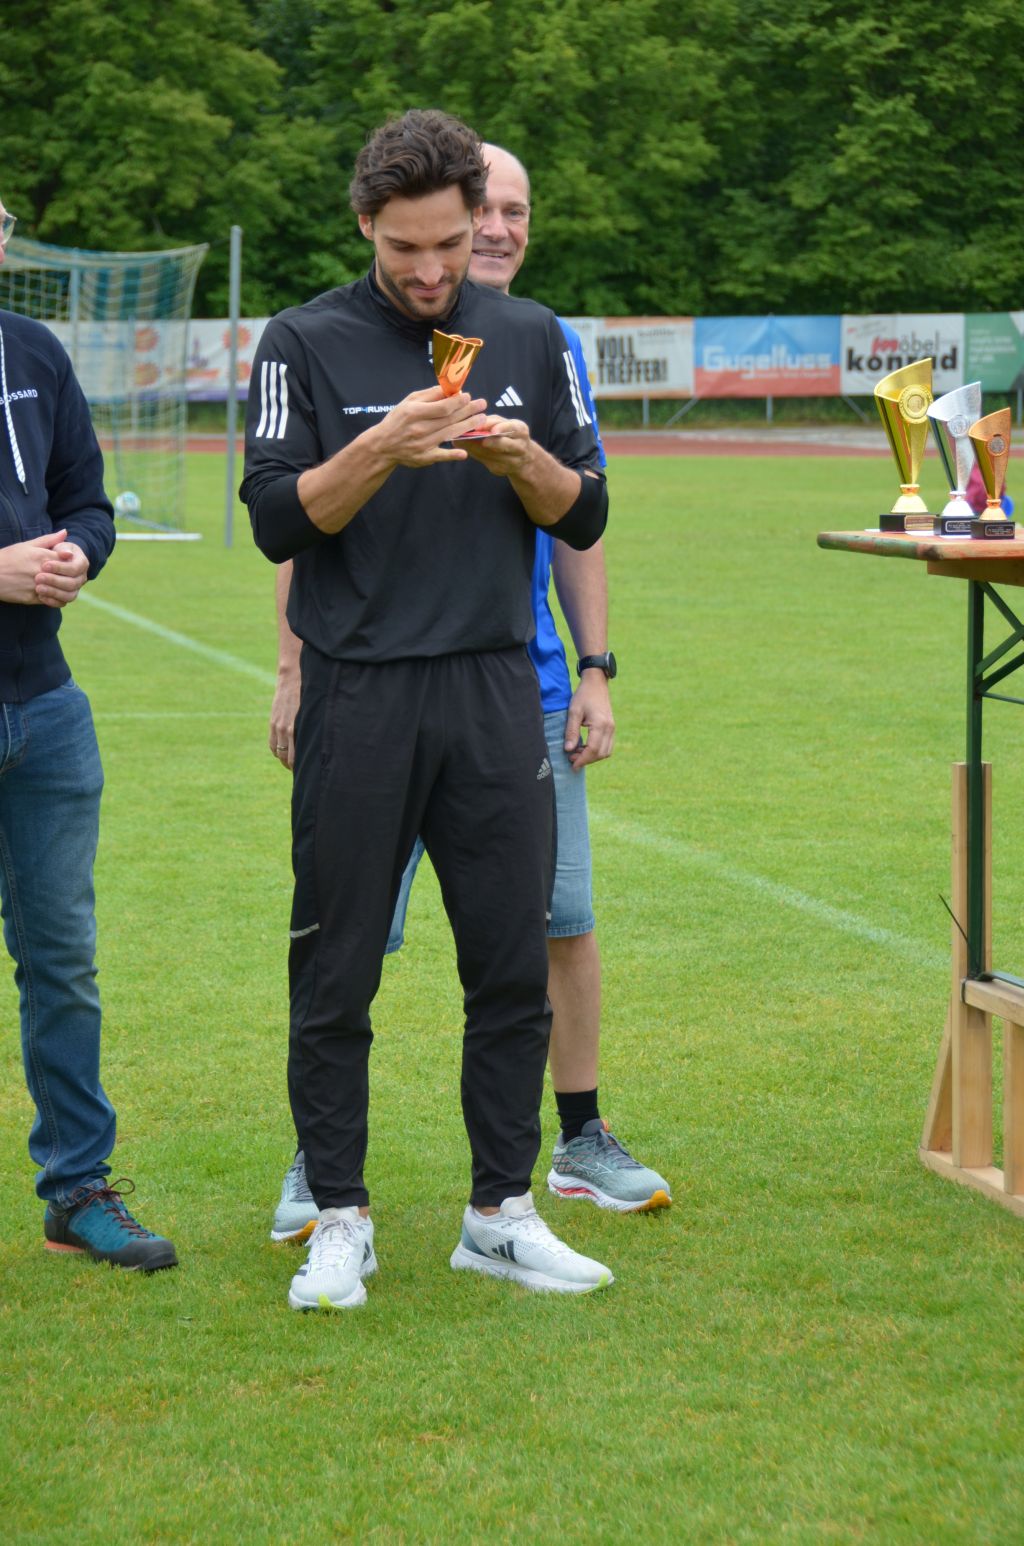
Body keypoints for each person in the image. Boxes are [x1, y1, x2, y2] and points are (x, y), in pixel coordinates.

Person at [241, 110, 613, 1309]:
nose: (430, 268)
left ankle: (500, 1213)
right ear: (366, 224)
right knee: (336, 968)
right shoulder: (302, 341)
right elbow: (276, 519)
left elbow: (584, 509)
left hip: (495, 686)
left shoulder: (529, 334)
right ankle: (339, 1217)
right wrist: (382, 449)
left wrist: (519, 461)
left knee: (507, 964)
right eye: (404, 246)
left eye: (449, 242)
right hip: (358, 690)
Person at [0, 200, 176, 1271]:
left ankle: (76, 1189)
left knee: (62, 964)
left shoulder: (32, 351)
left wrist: (79, 553)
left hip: (47, 711)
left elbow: (88, 502)